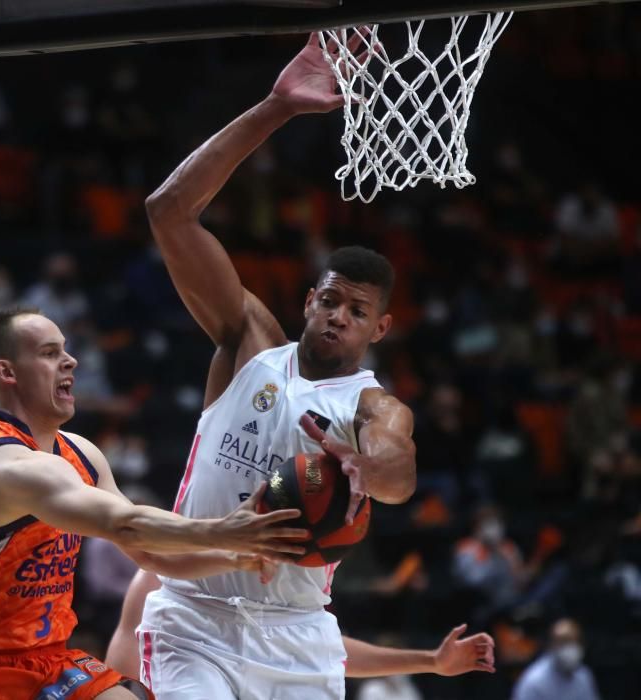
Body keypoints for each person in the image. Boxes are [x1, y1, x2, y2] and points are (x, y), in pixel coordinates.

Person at [134, 32, 492, 699]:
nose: (337, 316)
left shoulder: (371, 407)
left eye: (356, 311)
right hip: (195, 618)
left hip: (299, 632)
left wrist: (367, 466)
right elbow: (169, 212)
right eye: (329, 300)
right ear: (308, 300)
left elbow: (398, 469)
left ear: (379, 327)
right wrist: (276, 108)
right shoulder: (247, 342)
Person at [0, 308, 308, 700]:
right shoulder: (4, 468)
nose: (70, 361)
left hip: (48, 660)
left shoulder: (82, 454)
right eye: (50, 353)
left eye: (66, 349)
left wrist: (237, 556)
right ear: (7, 372)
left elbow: (147, 552)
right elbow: (126, 524)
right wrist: (224, 529)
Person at [107, 571, 495, 688]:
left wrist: (432, 661)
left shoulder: (284, 582)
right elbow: (121, 684)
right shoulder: (160, 583)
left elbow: (324, 652)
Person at [511, 618, 601, 700]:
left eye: (574, 641)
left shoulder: (584, 676)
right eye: (564, 641)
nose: (570, 647)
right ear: (551, 645)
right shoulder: (534, 681)